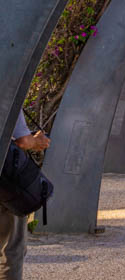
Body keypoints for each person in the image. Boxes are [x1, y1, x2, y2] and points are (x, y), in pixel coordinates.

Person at [1, 110, 50, 280]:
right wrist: (37, 141)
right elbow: (22, 140)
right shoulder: (6, 86)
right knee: (11, 248)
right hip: (5, 187)